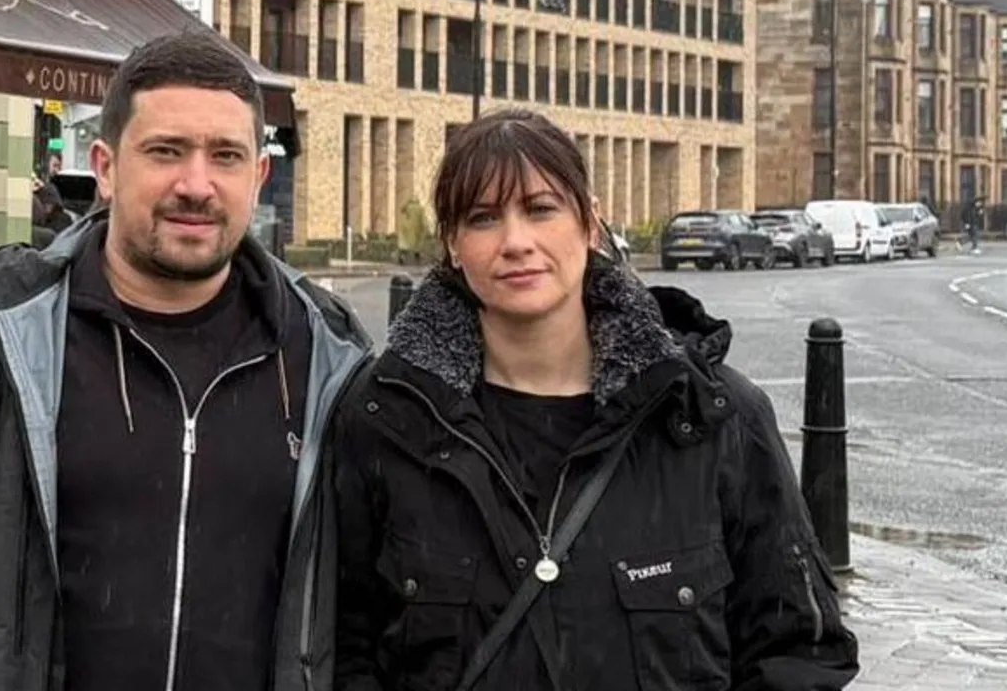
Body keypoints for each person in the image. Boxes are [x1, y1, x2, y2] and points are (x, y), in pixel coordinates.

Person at [0, 32, 374, 691]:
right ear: (106, 167)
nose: (196, 185)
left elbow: (363, 614)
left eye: (225, 156)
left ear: (258, 175)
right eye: (166, 151)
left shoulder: (327, 357)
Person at [331, 109, 859, 691]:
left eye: (540, 209)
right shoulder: (388, 418)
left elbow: (799, 655)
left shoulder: (709, 417)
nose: (516, 242)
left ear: (589, 222)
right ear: (453, 245)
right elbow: (345, 645)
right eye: (483, 218)